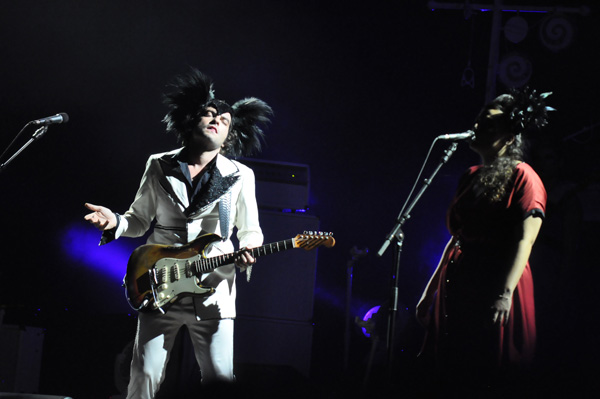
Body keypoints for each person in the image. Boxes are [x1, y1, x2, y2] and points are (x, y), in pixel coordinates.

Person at [84, 68, 272, 399]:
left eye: (225, 120)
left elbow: (250, 230)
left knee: (219, 378)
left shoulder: (241, 175)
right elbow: (139, 219)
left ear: (229, 137)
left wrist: (250, 251)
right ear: (191, 120)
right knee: (144, 373)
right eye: (210, 114)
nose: (217, 121)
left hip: (213, 287)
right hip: (159, 282)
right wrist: (114, 221)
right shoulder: (159, 164)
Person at [416, 88, 553, 396]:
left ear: (508, 136)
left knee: (486, 369)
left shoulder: (524, 175)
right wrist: (430, 291)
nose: (477, 127)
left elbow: (525, 240)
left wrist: (505, 293)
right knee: (453, 372)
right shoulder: (470, 175)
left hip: (494, 282)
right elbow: (456, 239)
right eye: (478, 121)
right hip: (462, 281)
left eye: (488, 124)